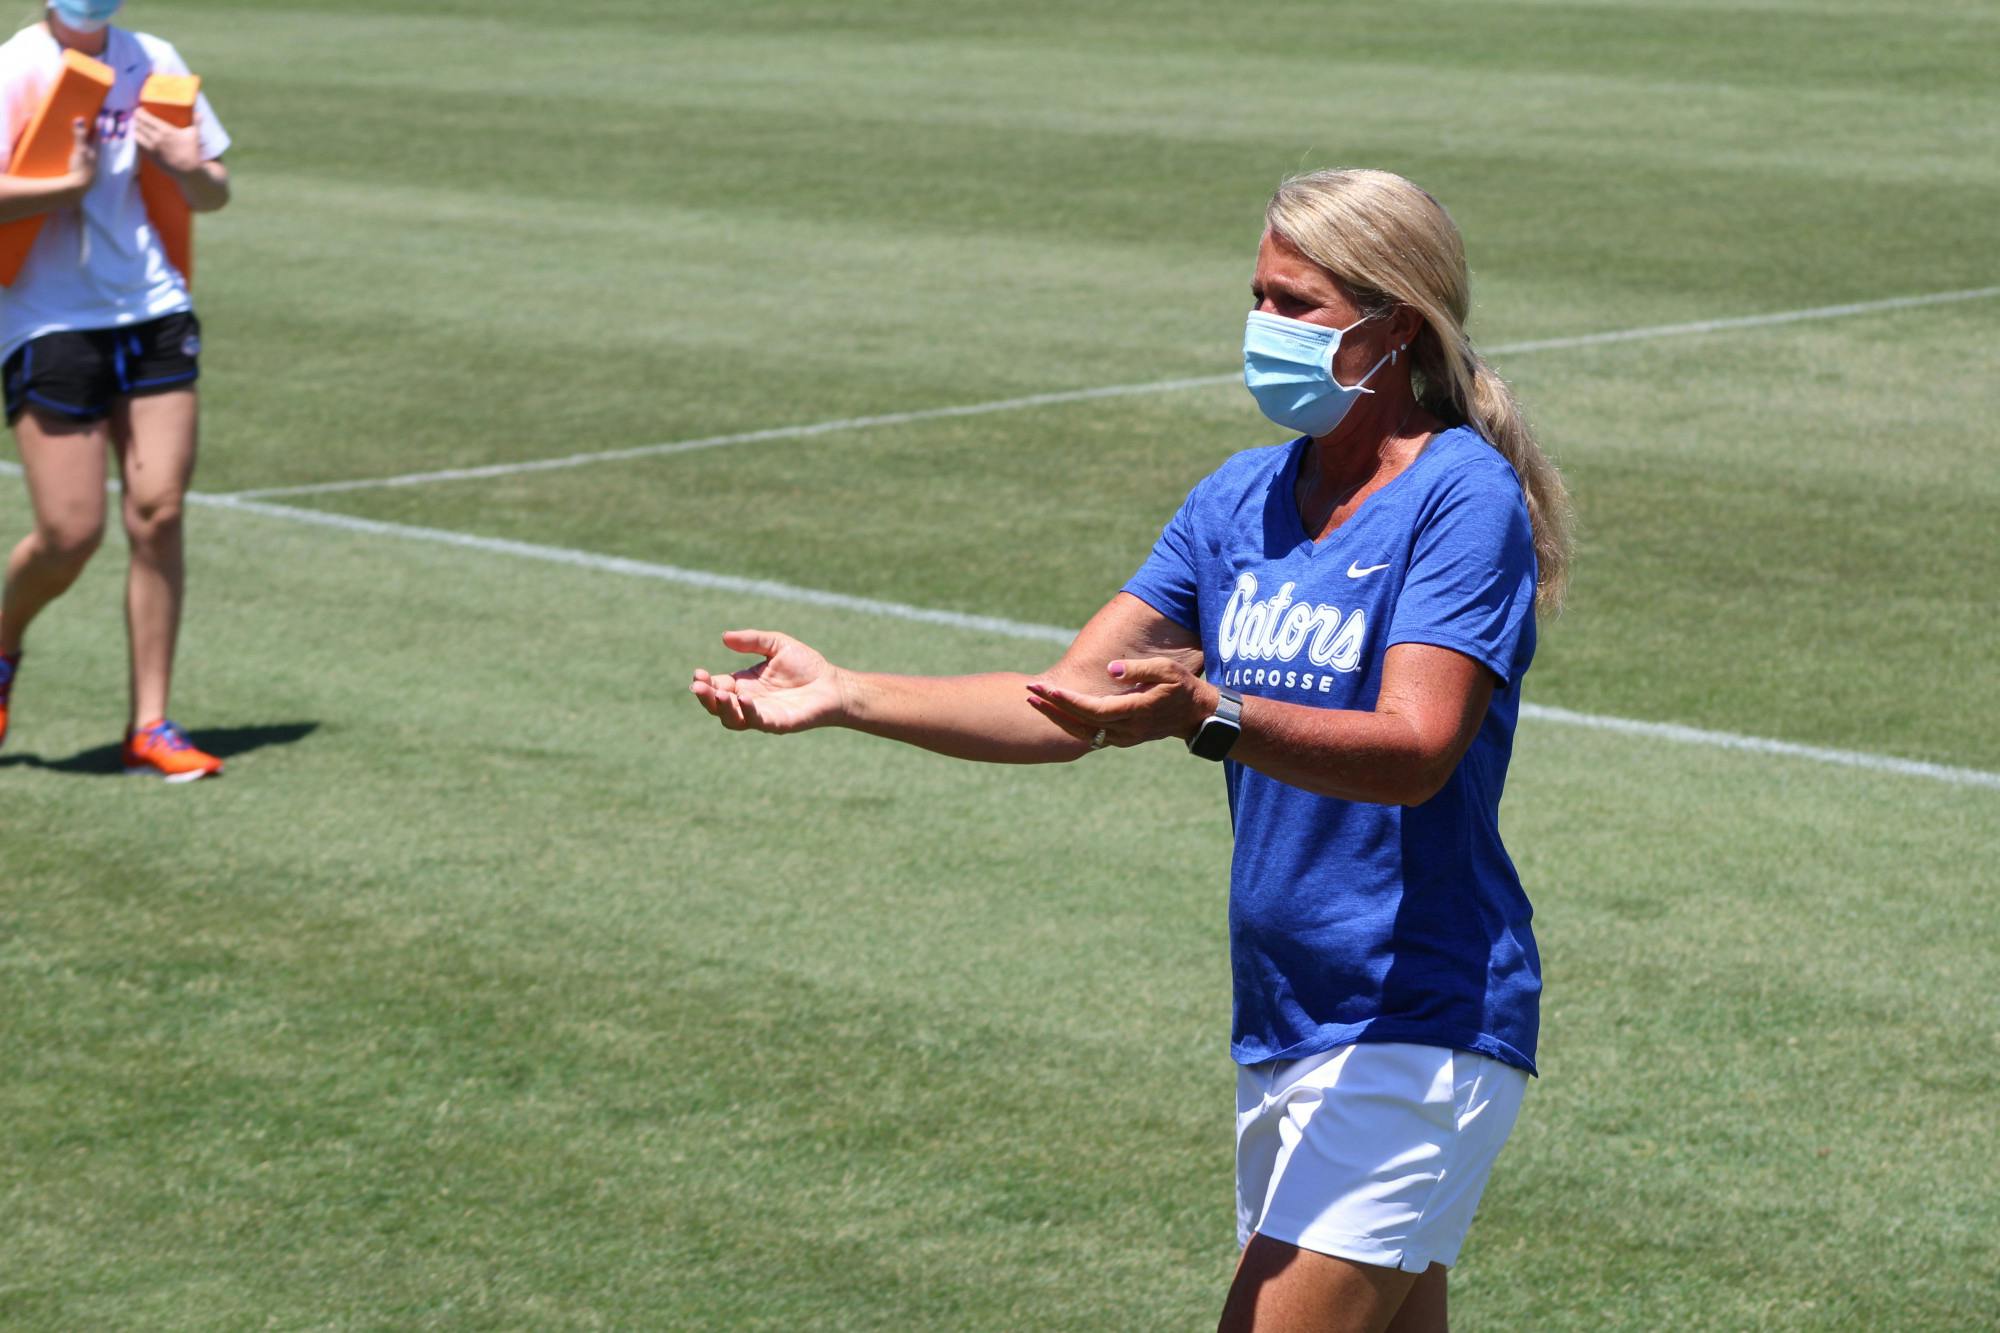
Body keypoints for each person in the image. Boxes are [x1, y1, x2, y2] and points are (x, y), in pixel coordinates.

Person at [690, 168, 1574, 1333]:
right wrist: (847, 691)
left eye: (1294, 306)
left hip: (1412, 1018)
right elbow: (1064, 702)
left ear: (1394, 325)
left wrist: (1211, 714)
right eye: (1256, 296)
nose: (1262, 328)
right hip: (1288, 1018)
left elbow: (1416, 748)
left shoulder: (1460, 499)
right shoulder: (1237, 501)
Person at [0, 0, 230, 780]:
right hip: (46, 319)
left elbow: (214, 192)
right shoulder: (14, 69)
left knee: (159, 510)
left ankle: (151, 724)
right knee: (70, 532)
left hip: (153, 306)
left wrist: (186, 163)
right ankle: (3, 644)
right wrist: (65, 186)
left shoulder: (154, 57)